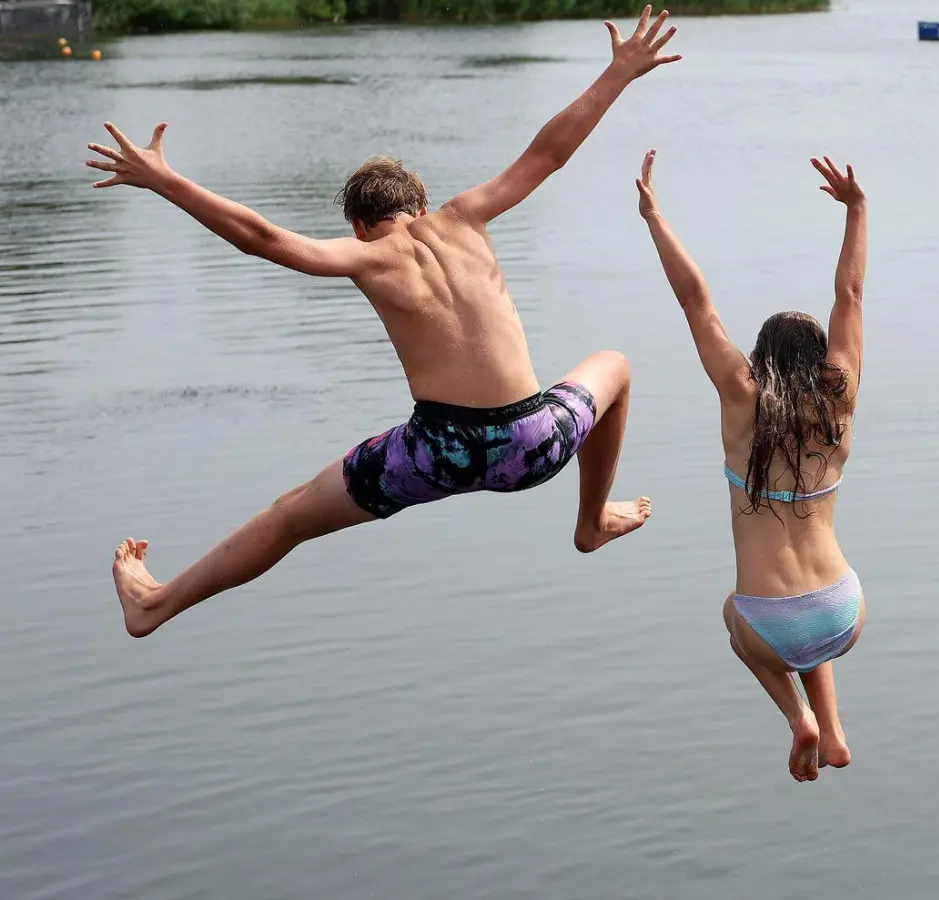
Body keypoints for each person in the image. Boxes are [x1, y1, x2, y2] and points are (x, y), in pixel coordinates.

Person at [94, 7, 683, 638]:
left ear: (356, 224)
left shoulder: (364, 257)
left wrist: (165, 180)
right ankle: (591, 521)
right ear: (422, 204)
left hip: (435, 453)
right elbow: (550, 153)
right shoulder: (467, 214)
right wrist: (618, 73)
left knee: (289, 516)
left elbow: (261, 237)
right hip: (530, 443)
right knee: (614, 366)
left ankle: (154, 606)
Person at [634, 149, 867, 782]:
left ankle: (801, 723)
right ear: (820, 360)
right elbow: (850, 293)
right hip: (845, 609)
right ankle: (835, 733)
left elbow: (696, 301)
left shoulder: (743, 399)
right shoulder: (839, 402)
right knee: (808, 631)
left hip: (769, 623)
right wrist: (857, 210)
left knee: (735, 616)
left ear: (760, 362)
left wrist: (655, 218)